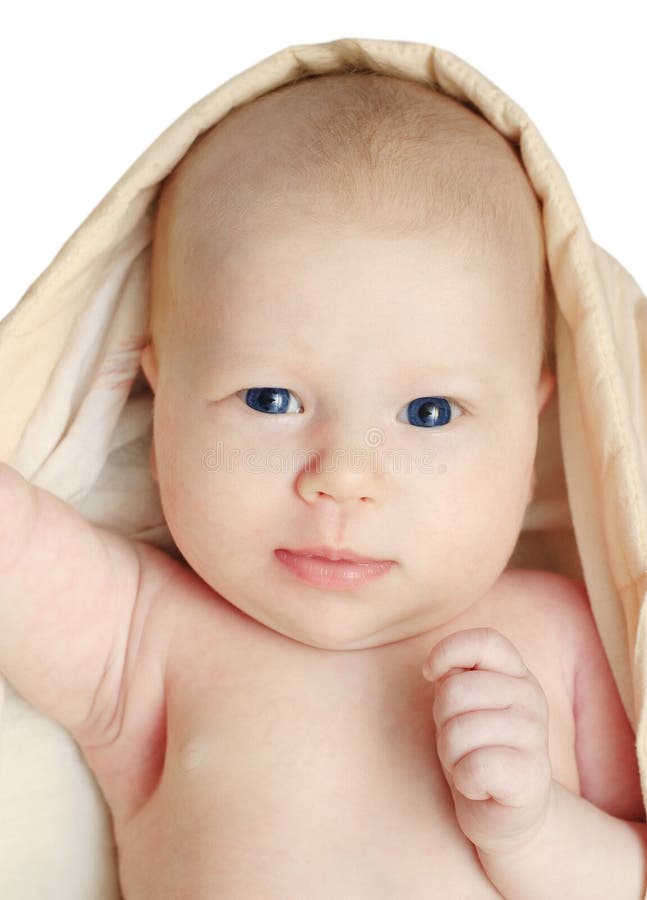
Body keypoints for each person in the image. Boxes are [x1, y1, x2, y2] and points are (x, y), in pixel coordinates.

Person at [1, 69, 646, 899]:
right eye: (270, 400)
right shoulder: (144, 635)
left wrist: (537, 832)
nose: (343, 478)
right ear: (158, 407)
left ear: (530, 438)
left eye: (428, 412)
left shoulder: (562, 637)